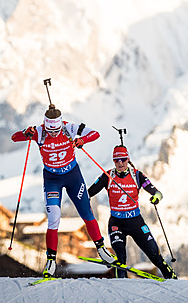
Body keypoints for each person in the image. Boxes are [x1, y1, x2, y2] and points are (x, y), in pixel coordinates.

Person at [11, 104, 116, 278]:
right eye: (50, 131)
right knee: (53, 219)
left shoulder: (69, 127)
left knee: (87, 213)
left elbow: (95, 133)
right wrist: (26, 133)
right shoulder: (39, 131)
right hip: (52, 180)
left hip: (73, 177)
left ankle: (102, 250)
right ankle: (51, 261)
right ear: (45, 125)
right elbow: (15, 138)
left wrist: (82, 140)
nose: (53, 134)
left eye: (56, 131)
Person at [88, 144, 177, 279]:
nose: (120, 163)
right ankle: (122, 285)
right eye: (116, 160)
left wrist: (156, 197)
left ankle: (172, 278)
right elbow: (90, 192)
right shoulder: (107, 176)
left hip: (136, 222)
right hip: (116, 223)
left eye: (123, 159)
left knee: (155, 255)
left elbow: (156, 192)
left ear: (127, 159)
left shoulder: (137, 175)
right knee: (120, 258)